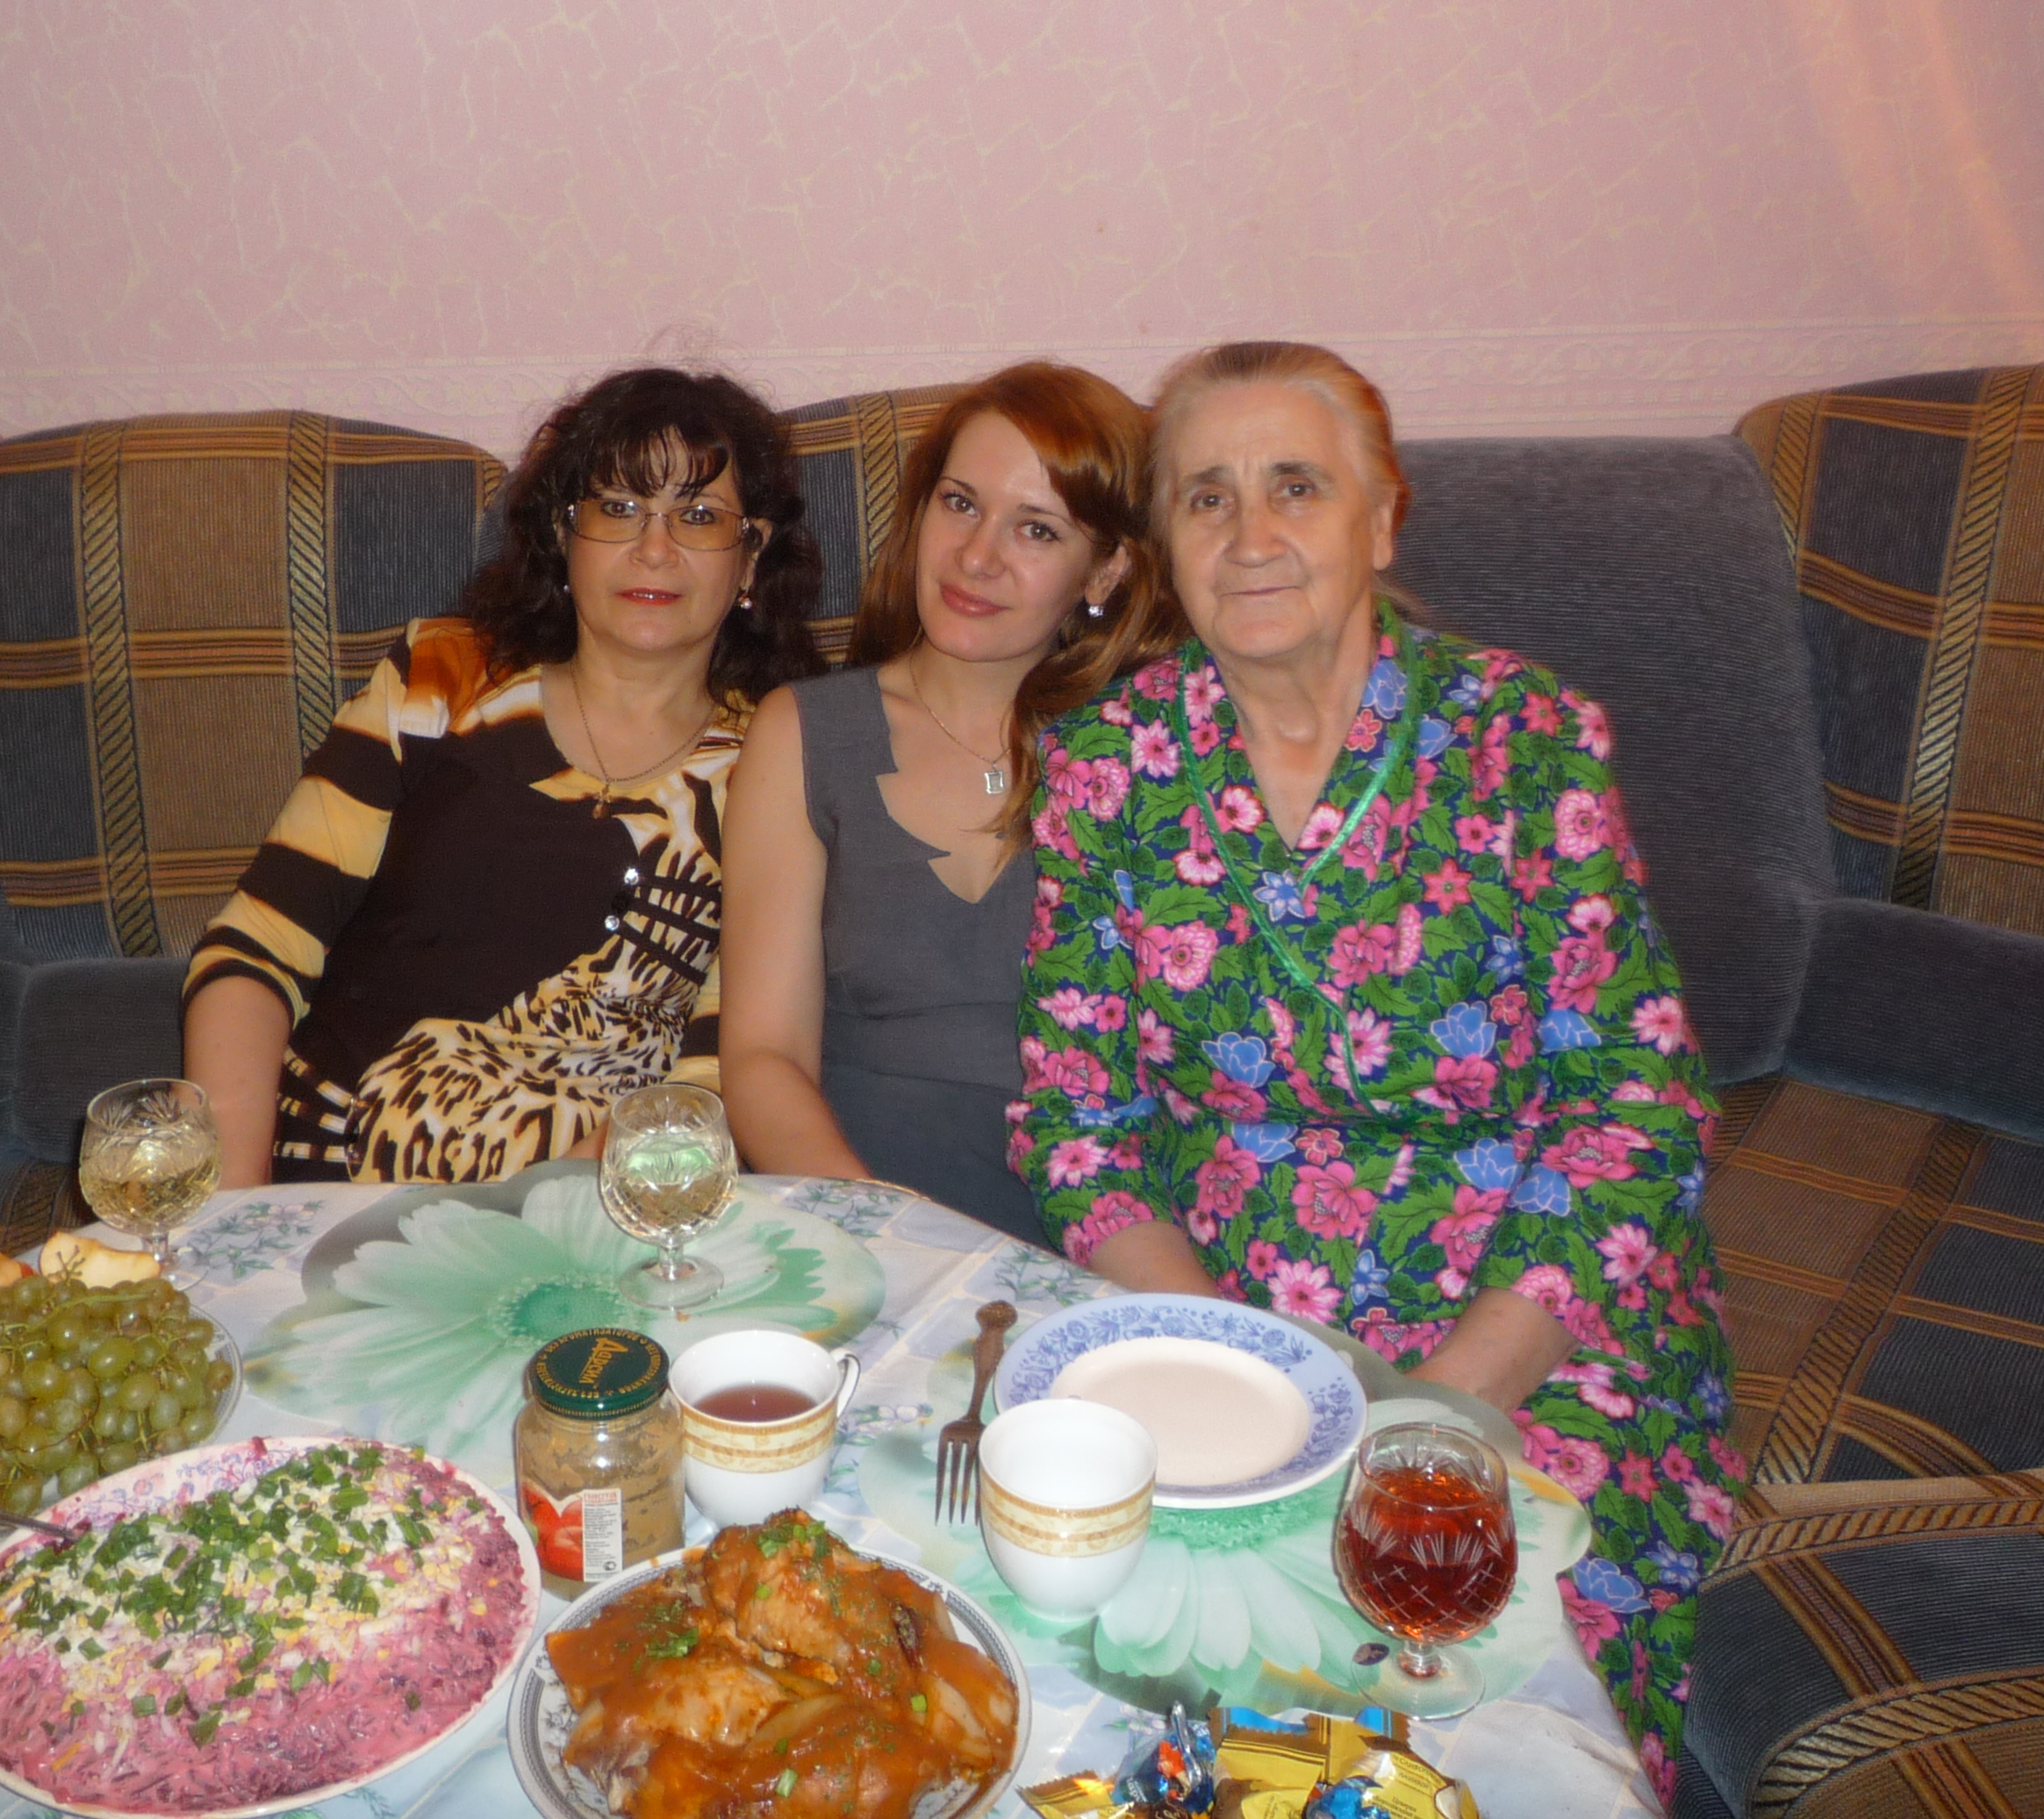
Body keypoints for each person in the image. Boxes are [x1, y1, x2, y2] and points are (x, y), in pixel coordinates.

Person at [1012, 340, 1734, 1800]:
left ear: (1381, 519)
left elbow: (1635, 1106)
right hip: (1227, 1304)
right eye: (1205, 497)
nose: (1250, 534)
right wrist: (1239, 1369)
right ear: (1161, 548)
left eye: (1296, 486)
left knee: (1475, 1637)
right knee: (1114, 1633)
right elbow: (1073, 1118)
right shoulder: (1107, 764)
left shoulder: (1527, 740)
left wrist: (1441, 1410)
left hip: (1526, 1313)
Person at [182, 367, 825, 1185]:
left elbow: (718, 1068)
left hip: (596, 1205)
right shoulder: (439, 677)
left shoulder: (779, 760)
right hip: (324, 1174)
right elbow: (258, 948)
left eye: (699, 516)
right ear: (563, 534)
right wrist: (234, 1212)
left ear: (751, 558)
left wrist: (546, 1222)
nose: (655, 548)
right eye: (618, 507)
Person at [720, 364, 1163, 1243]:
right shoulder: (804, 732)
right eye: (960, 504)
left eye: (1036, 529)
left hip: (1101, 1230)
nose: (976, 557)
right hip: (854, 1215)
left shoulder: (1150, 749)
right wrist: (887, 1239)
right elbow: (764, 1058)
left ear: (1106, 569)